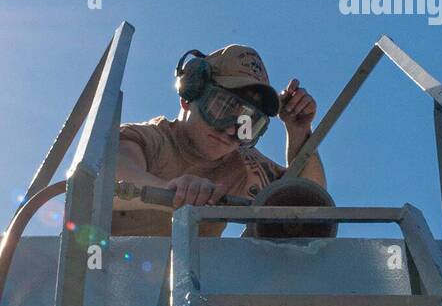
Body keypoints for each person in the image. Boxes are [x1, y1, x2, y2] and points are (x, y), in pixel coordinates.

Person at [112, 44, 326, 236]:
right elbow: (108, 177)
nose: (232, 129)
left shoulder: (244, 164)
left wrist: (299, 132)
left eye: (248, 123)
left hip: (186, 276)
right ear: (189, 95)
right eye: (222, 107)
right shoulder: (149, 138)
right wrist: (175, 191)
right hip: (103, 271)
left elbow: (308, 206)